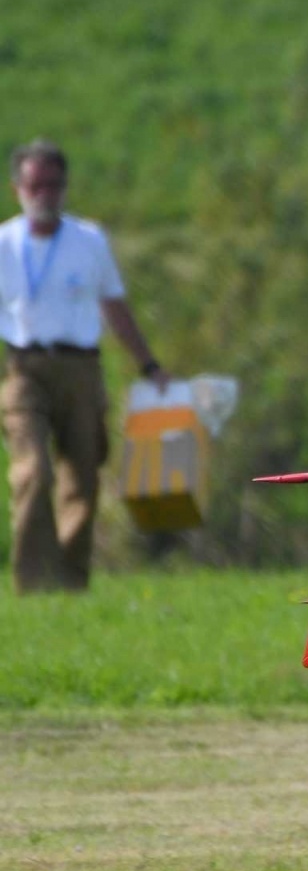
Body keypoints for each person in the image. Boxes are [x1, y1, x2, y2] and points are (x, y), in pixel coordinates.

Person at [2, 139, 169, 592]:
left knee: (83, 474)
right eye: (36, 185)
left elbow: (115, 306)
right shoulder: (4, 243)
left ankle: (70, 582)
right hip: (24, 369)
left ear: (65, 186)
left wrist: (148, 364)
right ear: (19, 187)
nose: (45, 194)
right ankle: (34, 582)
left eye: (54, 185)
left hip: (81, 367)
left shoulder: (89, 240)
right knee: (33, 472)